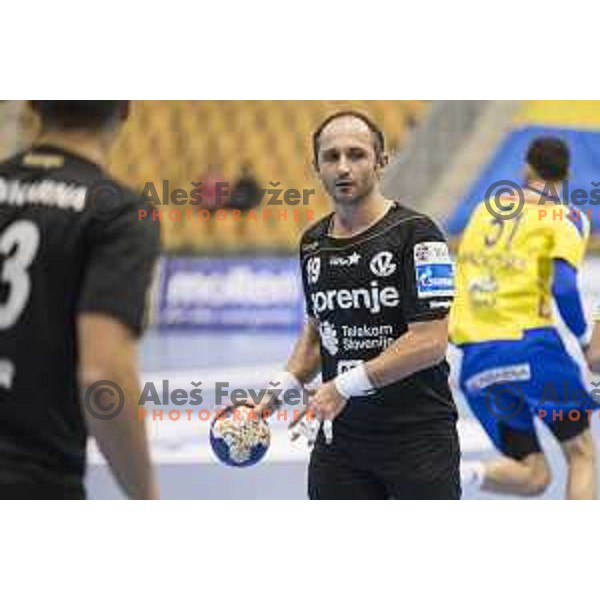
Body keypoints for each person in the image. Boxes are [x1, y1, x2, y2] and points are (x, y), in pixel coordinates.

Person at [255, 110, 460, 499]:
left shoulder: (418, 234)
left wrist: (342, 387)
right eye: (331, 157)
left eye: (356, 154)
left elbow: (430, 342)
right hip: (341, 442)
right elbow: (318, 335)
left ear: (381, 162)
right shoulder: (312, 242)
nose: (343, 167)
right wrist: (273, 395)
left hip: (418, 440)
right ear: (316, 166)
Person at [0, 101, 160, 499]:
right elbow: (102, 374)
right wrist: (147, 498)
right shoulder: (119, 213)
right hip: (32, 477)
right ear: (124, 109)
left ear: (34, 104)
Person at [452, 136, 597, 499]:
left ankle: (456, 472)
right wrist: (585, 344)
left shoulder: (485, 210)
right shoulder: (566, 216)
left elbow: (461, 277)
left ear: (526, 168)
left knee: (534, 476)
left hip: (476, 362)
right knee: (580, 454)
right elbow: (564, 287)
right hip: (532, 352)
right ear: (566, 174)